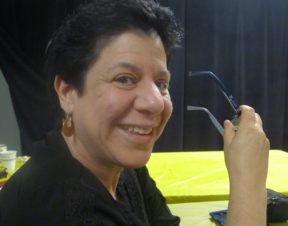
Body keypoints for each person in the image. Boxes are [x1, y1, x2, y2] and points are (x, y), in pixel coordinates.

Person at [0, 0, 270, 225]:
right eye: (125, 78)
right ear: (67, 92)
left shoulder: (118, 167)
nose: (155, 102)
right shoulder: (59, 209)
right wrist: (249, 180)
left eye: (161, 83)